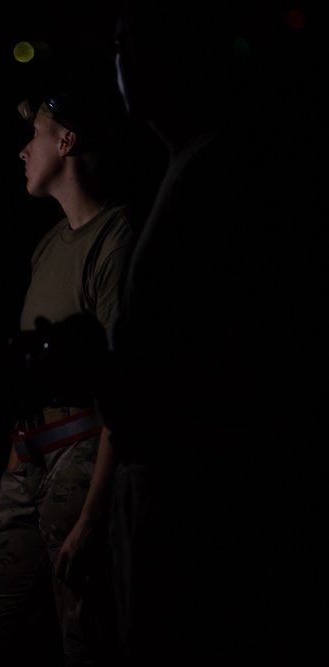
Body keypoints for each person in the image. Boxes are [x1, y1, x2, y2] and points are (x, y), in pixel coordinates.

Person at [99, 1, 328, 664]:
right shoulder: (193, 167)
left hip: (191, 511)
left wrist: (111, 370)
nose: (118, 59)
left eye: (128, 40)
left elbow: (221, 363)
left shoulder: (220, 176)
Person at [0, 67, 133, 667]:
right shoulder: (48, 246)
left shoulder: (118, 237)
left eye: (38, 134)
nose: (24, 149)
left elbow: (124, 383)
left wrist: (95, 512)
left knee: (89, 641)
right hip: (29, 463)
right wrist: (12, 474)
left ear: (68, 143)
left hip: (81, 466)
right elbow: (30, 383)